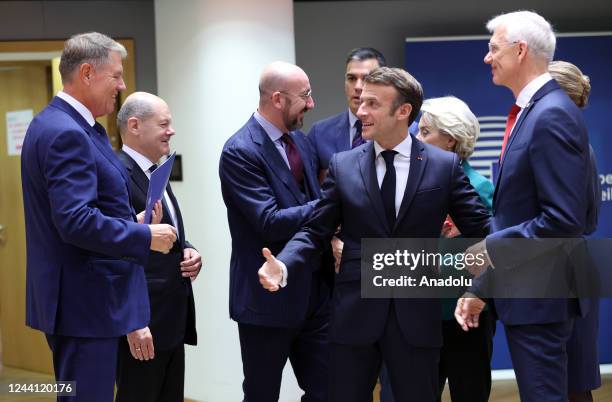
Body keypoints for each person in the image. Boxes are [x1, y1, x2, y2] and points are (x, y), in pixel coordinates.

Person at [259, 67, 490, 402]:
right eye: (361, 101)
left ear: (403, 111)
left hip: (416, 319)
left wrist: (479, 287)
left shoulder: (443, 167)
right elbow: (315, 231)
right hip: (354, 317)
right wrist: (283, 265)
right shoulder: (343, 165)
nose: (361, 110)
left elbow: (484, 232)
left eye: (372, 103)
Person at [20, 32, 177, 402]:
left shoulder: (74, 126)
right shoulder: (65, 133)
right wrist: (144, 237)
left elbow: (88, 210)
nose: (122, 85)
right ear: (88, 73)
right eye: (116, 76)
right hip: (83, 304)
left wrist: (132, 223)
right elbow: (75, 220)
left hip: (85, 302)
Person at [455, 11, 591, 402]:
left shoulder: (549, 115)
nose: (486, 57)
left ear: (520, 50)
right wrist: (484, 285)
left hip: (541, 298)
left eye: (492, 48)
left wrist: (491, 248)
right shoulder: (535, 112)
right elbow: (517, 214)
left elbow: (563, 220)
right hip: (529, 294)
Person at [219, 61, 331, 402]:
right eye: (306, 96)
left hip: (315, 294)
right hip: (266, 301)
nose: (311, 104)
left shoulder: (301, 141)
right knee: (261, 394)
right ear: (279, 99)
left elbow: (309, 203)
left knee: (330, 390)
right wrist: (332, 205)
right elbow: (269, 220)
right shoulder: (240, 151)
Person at [115, 92, 201, 402]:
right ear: (135, 126)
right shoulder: (116, 173)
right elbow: (112, 245)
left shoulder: (154, 171)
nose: (171, 131)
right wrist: (133, 321)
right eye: (164, 124)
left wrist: (187, 248)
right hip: (143, 322)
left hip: (170, 320)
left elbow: (164, 233)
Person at [417, 96, 495, 402]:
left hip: (467, 313)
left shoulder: (481, 188)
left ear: (450, 140)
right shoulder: (411, 184)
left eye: (425, 132)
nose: (416, 138)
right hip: (421, 313)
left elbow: (491, 255)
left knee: (470, 392)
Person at [549, 60, 602, 402]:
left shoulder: (568, 146)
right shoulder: (581, 144)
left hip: (563, 270)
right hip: (569, 267)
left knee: (572, 382)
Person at [307, 47, 386, 182]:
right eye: (351, 78)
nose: (358, 86)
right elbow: (311, 190)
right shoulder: (319, 133)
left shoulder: (404, 130)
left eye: (367, 78)